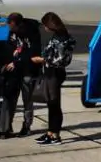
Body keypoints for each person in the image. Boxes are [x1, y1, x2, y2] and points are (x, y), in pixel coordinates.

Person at [30, 12, 76, 146]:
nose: (44, 28)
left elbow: (60, 59)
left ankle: (55, 135)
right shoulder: (59, 35)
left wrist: (42, 60)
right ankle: (51, 132)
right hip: (51, 72)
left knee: (54, 104)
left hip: (55, 73)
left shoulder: (61, 38)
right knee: (51, 104)